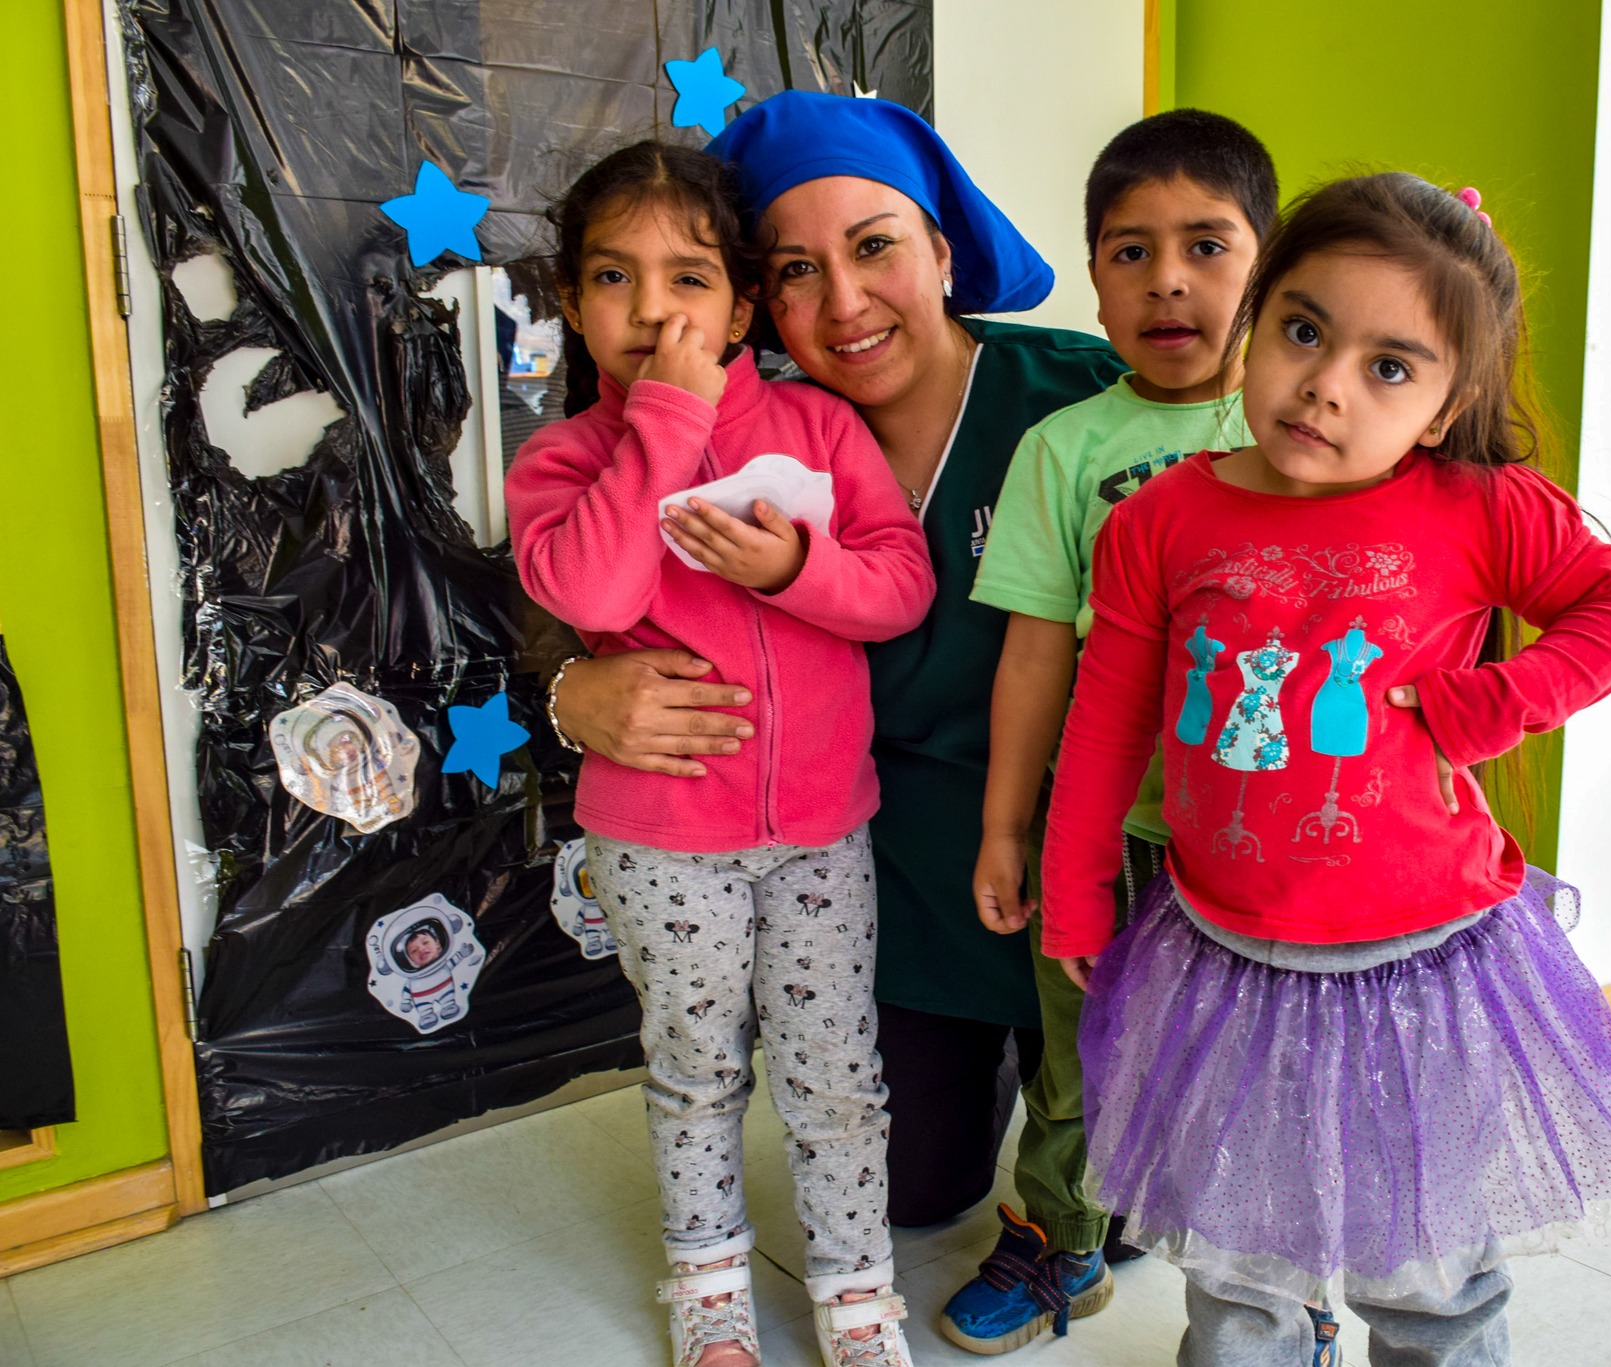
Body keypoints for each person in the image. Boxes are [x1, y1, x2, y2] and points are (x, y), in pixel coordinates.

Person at [1041, 174, 1611, 1367]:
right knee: (1236, 1263)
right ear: (1255, 322)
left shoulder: (1476, 505)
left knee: (1424, 1265)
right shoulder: (1158, 520)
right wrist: (1077, 881)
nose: (1325, 384)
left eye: (1389, 366)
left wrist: (1494, 701)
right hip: (1218, 955)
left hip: (1424, 965)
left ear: (1447, 405)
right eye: (1301, 330)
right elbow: (1105, 715)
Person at [542, 88, 1127, 1328]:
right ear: (761, 301)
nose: (845, 304)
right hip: (888, 855)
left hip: (1089, 844)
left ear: (942, 252)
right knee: (915, 1192)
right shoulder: (732, 428)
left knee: (1118, 1173)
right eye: (798, 269)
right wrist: (568, 689)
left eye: (874, 248)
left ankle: (1085, 1143)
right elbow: (581, 579)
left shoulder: (1080, 399)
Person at [505, 140, 934, 1367]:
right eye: (612, 279)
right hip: (661, 842)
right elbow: (586, 584)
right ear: (572, 302)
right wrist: (667, 418)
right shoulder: (564, 460)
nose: (653, 311)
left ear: (743, 304)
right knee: (695, 1066)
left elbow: (900, 585)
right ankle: (707, 1286)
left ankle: (855, 1292)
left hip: (818, 830)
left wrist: (798, 568)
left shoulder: (814, 423)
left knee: (835, 1068)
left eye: (688, 278)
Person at [953, 110, 1278, 1355]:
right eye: (1128, 251)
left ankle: (1271, 1292)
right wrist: (1005, 825)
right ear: (1092, 274)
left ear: (1265, 263)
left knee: (1259, 1070)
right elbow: (1033, 649)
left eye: (1206, 244)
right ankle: (1059, 1243)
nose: (1168, 280)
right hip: (1100, 835)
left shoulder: (1292, 429)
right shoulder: (1065, 447)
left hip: (1260, 846)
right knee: (1077, 1060)